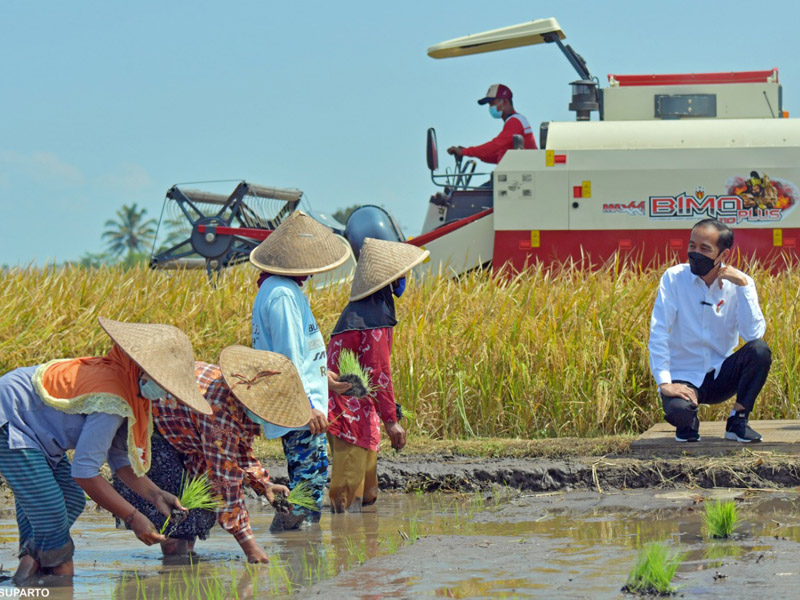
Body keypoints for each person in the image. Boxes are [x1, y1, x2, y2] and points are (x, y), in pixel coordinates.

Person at [0, 317, 212, 583]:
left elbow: (120, 460)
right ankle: (47, 575)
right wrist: (133, 517)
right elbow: (85, 472)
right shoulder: (113, 396)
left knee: (71, 500)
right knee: (51, 510)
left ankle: (29, 570)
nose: (164, 392)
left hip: (39, 433)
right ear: (143, 370)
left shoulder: (131, 390)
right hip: (13, 418)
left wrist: (156, 495)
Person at [113, 346, 310, 563]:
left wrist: (264, 485)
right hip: (153, 434)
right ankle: (175, 568)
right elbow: (224, 479)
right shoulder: (218, 407)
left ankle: (186, 564)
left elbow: (239, 451)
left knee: (195, 508)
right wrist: (250, 546)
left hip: (185, 438)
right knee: (175, 518)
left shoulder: (238, 393)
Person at [249, 210, 353, 530]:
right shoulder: (281, 294)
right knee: (307, 487)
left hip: (301, 403)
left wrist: (324, 376)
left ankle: (293, 541)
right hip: (300, 410)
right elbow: (287, 356)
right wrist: (307, 406)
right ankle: (296, 544)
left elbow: (300, 352)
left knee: (308, 481)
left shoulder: (282, 289)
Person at [327, 238, 429, 512]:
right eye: (401, 275)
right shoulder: (373, 319)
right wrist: (391, 421)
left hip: (356, 409)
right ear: (389, 280)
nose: (403, 280)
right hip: (349, 414)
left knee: (368, 494)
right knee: (347, 496)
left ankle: (360, 537)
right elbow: (378, 374)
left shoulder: (360, 312)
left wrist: (386, 411)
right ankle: (343, 537)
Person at [648, 218, 772, 443]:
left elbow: (753, 335)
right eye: (692, 246)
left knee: (760, 350)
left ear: (723, 254)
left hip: (720, 375)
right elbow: (659, 331)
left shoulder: (740, 283)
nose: (695, 253)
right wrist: (665, 383)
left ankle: (738, 421)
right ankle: (689, 420)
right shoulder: (674, 278)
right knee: (679, 414)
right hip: (683, 376)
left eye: (705, 249)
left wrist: (744, 287)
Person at [447, 83, 537, 165]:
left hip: (523, 174)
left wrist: (465, 152)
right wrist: (470, 152)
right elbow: (496, 156)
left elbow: (495, 146)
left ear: (505, 102)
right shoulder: (514, 121)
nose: (490, 107)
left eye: (492, 103)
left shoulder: (515, 121)